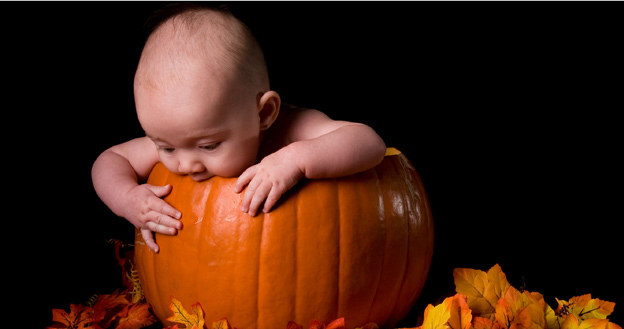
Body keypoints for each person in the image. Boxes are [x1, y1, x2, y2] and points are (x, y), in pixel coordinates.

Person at [92, 4, 386, 253]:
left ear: (264, 114)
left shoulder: (290, 128)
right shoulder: (181, 139)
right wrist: (127, 198)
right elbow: (110, 159)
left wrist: (296, 159)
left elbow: (369, 142)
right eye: (165, 147)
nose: (185, 163)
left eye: (208, 146)